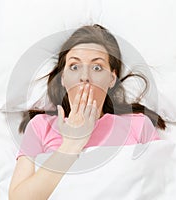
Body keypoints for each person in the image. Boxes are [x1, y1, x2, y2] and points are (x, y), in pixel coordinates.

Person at [9, 24, 166, 200]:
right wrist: (71, 145)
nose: (85, 76)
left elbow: (163, 186)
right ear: (63, 78)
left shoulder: (138, 125)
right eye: (74, 66)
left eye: (97, 67)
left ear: (111, 79)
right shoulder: (40, 127)